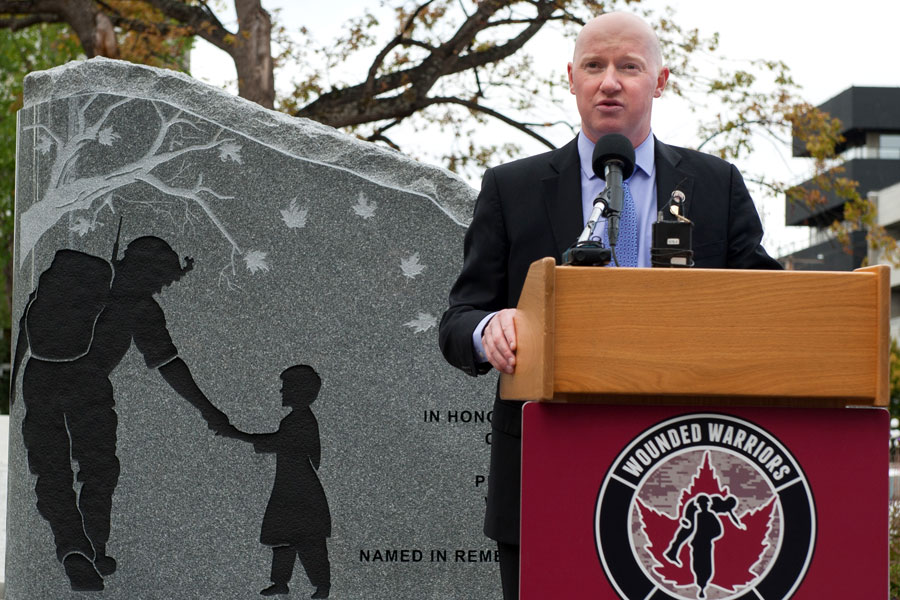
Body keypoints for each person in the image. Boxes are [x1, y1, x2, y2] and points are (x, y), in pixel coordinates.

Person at [438, 12, 782, 600]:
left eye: (629, 67)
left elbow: (769, 306)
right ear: (570, 78)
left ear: (661, 80)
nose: (610, 82)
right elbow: (458, 319)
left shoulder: (715, 185)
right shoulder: (512, 188)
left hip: (680, 461)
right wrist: (489, 327)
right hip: (544, 473)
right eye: (594, 66)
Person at [10, 235, 232, 592]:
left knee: (51, 468)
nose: (163, 287)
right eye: (163, 279)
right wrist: (208, 410)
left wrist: (12, 392)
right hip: (88, 387)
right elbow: (169, 364)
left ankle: (73, 547)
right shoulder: (139, 307)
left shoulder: (77, 279)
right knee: (98, 469)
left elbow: (27, 320)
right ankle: (93, 548)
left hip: (38, 378)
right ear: (150, 271)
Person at [219, 365, 332, 599]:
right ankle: (281, 582)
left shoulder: (299, 421)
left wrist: (235, 434)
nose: (281, 391)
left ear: (299, 391)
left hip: (300, 489)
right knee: (283, 537)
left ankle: (322, 586)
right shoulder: (294, 419)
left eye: (286, 386)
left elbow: (274, 443)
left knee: (307, 539)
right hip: (290, 485)